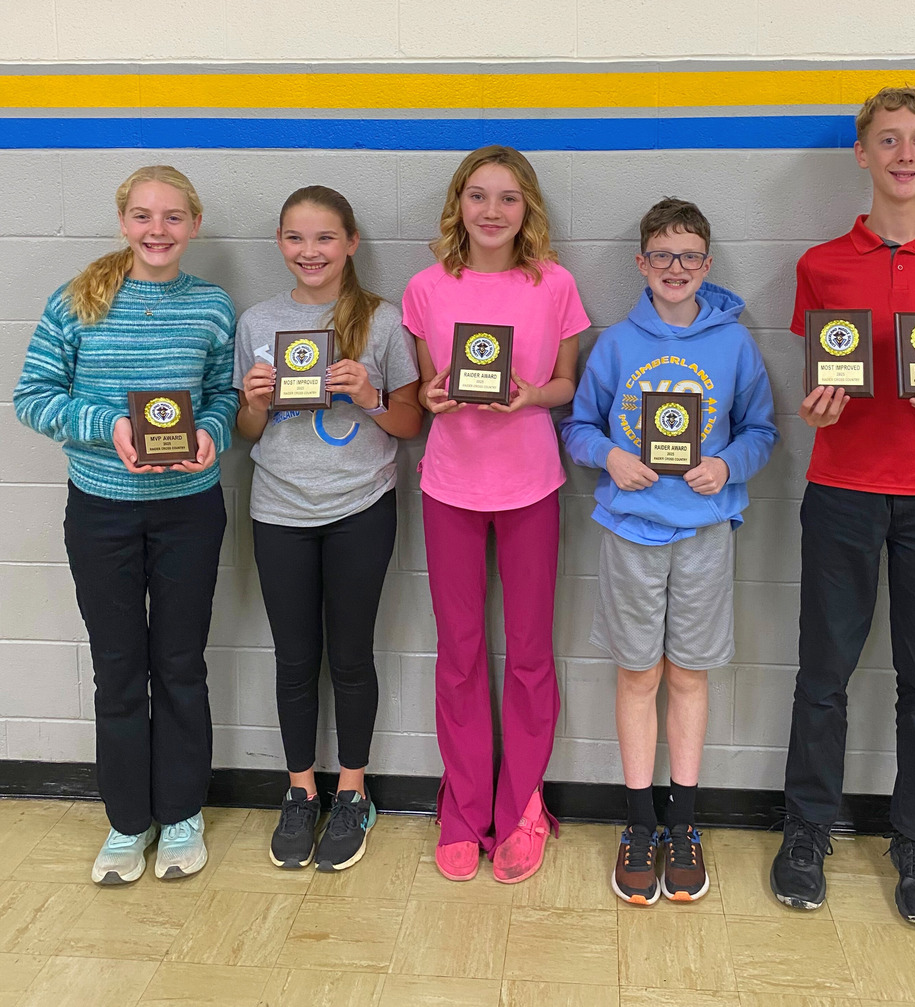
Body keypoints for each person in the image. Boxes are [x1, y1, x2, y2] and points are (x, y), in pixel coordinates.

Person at [770, 86, 915, 927]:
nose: (904, 154)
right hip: (841, 491)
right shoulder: (822, 264)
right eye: (887, 140)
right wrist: (817, 404)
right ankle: (806, 833)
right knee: (823, 677)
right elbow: (823, 372)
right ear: (863, 155)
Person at [13, 165, 237, 884]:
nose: (157, 230)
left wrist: (211, 432)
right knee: (118, 669)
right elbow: (32, 396)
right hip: (102, 510)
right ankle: (125, 822)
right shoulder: (77, 300)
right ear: (123, 222)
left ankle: (180, 814)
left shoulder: (212, 306)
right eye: (143, 215)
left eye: (173, 217)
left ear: (193, 225)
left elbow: (227, 394)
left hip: (190, 510)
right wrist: (106, 425)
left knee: (178, 664)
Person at [562, 198, 777, 905]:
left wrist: (730, 465)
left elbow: (760, 430)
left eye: (689, 256)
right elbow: (579, 427)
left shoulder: (734, 343)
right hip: (631, 533)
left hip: (706, 534)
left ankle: (684, 822)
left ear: (707, 265)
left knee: (688, 675)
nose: (676, 268)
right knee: (636, 677)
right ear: (642, 264)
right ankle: (639, 822)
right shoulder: (618, 343)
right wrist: (611, 456)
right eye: (662, 256)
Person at [402, 145, 590, 883]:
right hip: (449, 486)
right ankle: (463, 807)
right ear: (457, 205)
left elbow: (566, 382)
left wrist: (530, 395)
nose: (491, 211)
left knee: (531, 651)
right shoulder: (425, 287)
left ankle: (521, 805)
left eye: (507, 198)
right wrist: (435, 397)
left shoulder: (557, 284)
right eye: (477, 196)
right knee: (460, 652)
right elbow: (425, 391)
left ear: (527, 210)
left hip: (530, 486)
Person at [235, 186, 422, 871]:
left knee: (350, 654)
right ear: (281, 244)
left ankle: (352, 790)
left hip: (360, 506)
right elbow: (246, 430)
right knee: (292, 657)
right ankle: (298, 789)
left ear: (351, 244)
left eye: (323, 238)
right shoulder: (258, 320)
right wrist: (253, 403)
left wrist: (369, 395)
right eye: (295, 238)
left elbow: (410, 424)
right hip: (278, 509)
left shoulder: (383, 321)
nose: (309, 252)